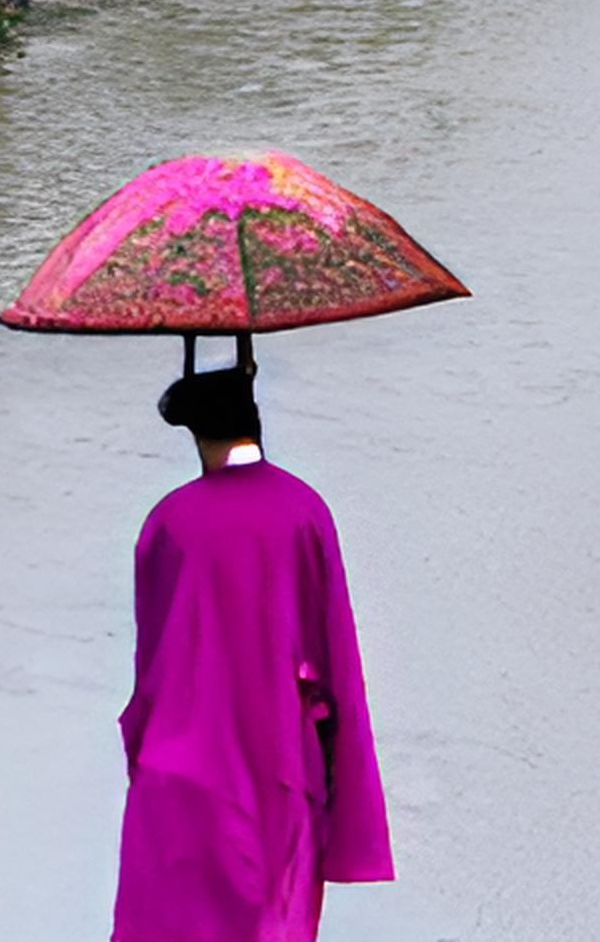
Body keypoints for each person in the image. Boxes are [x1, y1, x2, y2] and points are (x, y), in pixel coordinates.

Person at [111, 360, 393, 942]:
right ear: (255, 421)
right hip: (279, 767)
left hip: (181, 771)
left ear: (196, 435)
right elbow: (333, 647)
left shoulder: (169, 520)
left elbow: (153, 663)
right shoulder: (304, 510)